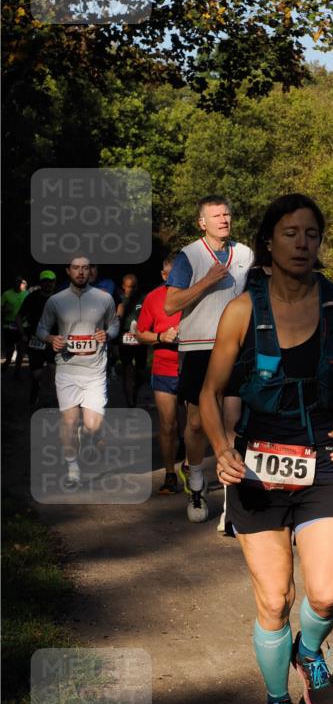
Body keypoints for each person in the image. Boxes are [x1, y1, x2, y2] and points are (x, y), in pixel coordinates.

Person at [199, 193, 333, 704]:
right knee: (274, 599)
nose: (302, 243)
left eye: (311, 233)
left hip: (325, 463)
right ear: (268, 243)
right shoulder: (242, 310)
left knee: (325, 595)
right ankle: (279, 703)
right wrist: (221, 448)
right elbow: (209, 393)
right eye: (290, 233)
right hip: (258, 467)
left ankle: (309, 653)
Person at [164, 196, 252, 524]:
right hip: (198, 347)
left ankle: (231, 504)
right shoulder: (189, 256)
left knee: (232, 422)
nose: (223, 220)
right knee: (199, 423)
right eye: (216, 216)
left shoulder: (245, 255)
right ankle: (197, 484)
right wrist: (207, 281)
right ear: (202, 222)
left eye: (227, 214)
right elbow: (171, 305)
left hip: (235, 347)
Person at [36, 257, 120, 486]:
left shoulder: (104, 298)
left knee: (93, 426)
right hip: (67, 369)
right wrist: (51, 338)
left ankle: (88, 435)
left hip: (95, 371)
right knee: (70, 422)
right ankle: (73, 467)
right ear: (68, 271)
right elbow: (41, 328)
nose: (81, 272)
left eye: (85, 268)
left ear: (91, 270)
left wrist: (108, 334)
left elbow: (114, 323)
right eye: (76, 268)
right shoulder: (56, 301)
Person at [136, 253, 183, 494]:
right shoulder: (153, 298)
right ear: (163, 275)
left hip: (192, 366)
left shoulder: (194, 295)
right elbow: (140, 333)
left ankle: (189, 461)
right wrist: (160, 337)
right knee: (168, 424)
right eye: (172, 275)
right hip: (164, 367)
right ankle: (170, 474)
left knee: (193, 424)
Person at [17, 270, 57, 405]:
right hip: (35, 340)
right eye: (45, 281)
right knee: (37, 374)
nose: (48, 284)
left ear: (54, 283)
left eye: (50, 281)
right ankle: (35, 387)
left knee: (53, 370)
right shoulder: (32, 297)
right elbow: (18, 316)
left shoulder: (59, 298)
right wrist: (22, 334)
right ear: (41, 283)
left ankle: (53, 398)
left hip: (54, 340)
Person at [117, 273, 147, 408]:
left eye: (133, 287)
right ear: (123, 286)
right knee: (128, 370)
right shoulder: (119, 300)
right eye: (128, 287)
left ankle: (135, 392)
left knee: (140, 372)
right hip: (125, 340)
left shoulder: (144, 299)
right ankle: (130, 402)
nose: (131, 290)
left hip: (141, 340)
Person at [2, 276, 29, 377]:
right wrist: (5, 310)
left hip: (22, 326)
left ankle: (17, 373)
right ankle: (6, 363)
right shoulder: (7, 294)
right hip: (9, 326)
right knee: (9, 353)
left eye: (22, 283)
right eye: (18, 283)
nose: (20, 285)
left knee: (21, 350)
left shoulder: (27, 294)